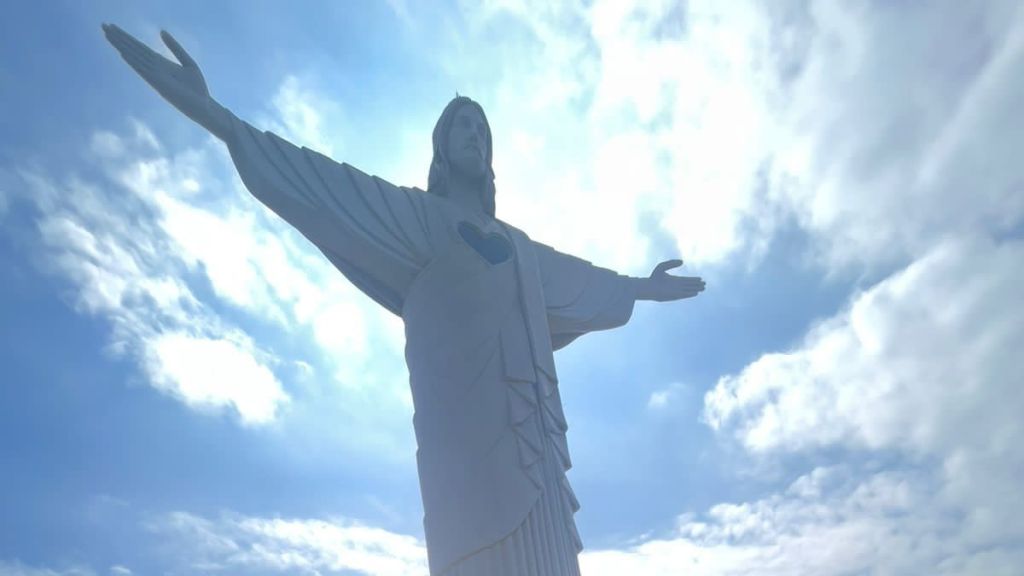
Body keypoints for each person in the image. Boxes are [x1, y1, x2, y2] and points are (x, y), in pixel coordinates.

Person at [102, 25, 706, 576]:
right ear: (441, 149)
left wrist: (640, 288)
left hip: (534, 459)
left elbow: (581, 282)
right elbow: (325, 188)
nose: (474, 135)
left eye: (482, 129)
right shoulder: (418, 219)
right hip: (465, 449)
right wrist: (217, 116)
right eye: (461, 126)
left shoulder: (523, 251)